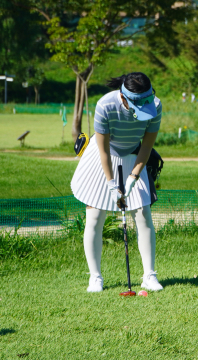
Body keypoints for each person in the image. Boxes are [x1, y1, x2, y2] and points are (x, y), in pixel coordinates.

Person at [71, 72, 163, 293]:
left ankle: (149, 276)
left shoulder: (155, 106)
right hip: (102, 156)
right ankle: (95, 277)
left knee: (143, 214)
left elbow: (146, 147)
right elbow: (102, 150)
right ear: (124, 98)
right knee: (94, 216)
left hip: (133, 155)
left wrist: (133, 177)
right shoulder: (105, 105)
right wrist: (112, 184)